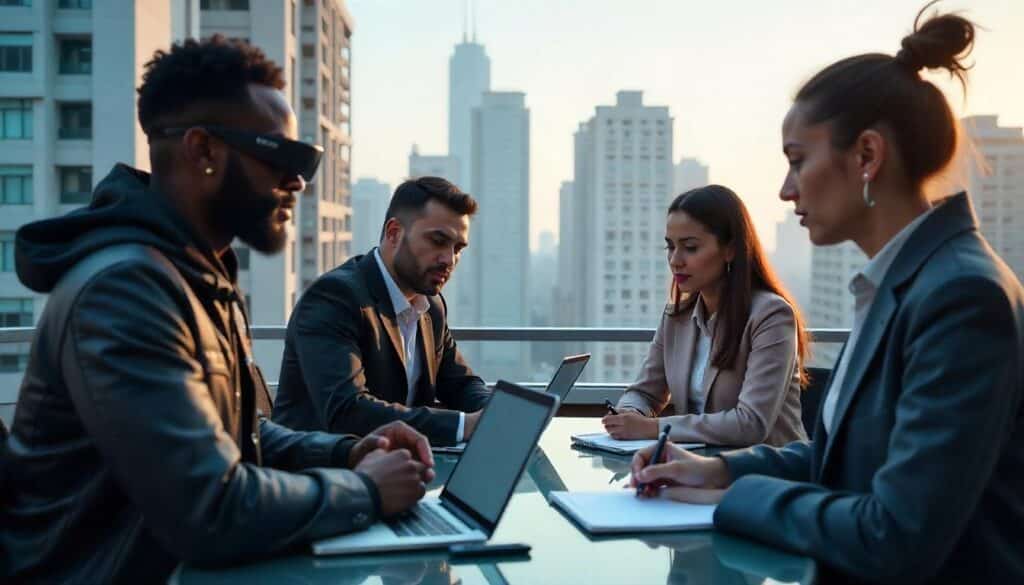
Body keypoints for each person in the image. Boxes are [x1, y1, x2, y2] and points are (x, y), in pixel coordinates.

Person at [0, 37, 436, 584]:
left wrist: (347, 452)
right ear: (204, 151)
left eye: (306, 161)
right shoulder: (125, 292)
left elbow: (237, 433)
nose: (297, 180)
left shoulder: (193, 274)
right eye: (280, 156)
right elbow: (209, 508)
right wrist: (368, 489)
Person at [629, 5, 1024, 584]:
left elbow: (897, 533)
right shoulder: (900, 282)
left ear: (867, 155)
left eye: (797, 161)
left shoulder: (961, 297)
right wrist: (716, 471)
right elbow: (843, 457)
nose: (786, 190)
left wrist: (732, 501)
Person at [273, 177, 491, 446]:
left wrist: (494, 415)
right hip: (321, 476)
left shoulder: (431, 307)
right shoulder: (334, 298)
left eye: (458, 248)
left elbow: (461, 383)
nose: (449, 259)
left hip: (400, 472)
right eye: (438, 241)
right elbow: (348, 411)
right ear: (394, 233)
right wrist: (465, 425)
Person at [602, 185, 809, 447]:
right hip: (697, 470)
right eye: (670, 247)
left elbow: (751, 423)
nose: (675, 260)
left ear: (730, 249)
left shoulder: (771, 316)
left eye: (690, 248)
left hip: (766, 476)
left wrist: (652, 428)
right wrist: (631, 413)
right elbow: (644, 392)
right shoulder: (676, 317)